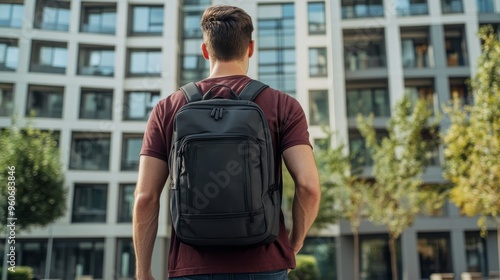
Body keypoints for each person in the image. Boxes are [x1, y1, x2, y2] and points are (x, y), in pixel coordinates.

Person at [133, 5, 321, 280]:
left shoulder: (168, 108)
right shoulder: (283, 105)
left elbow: (145, 198)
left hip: (191, 266)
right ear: (251, 48)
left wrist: (143, 272)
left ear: (205, 50)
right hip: (264, 264)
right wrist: (293, 244)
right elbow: (309, 186)